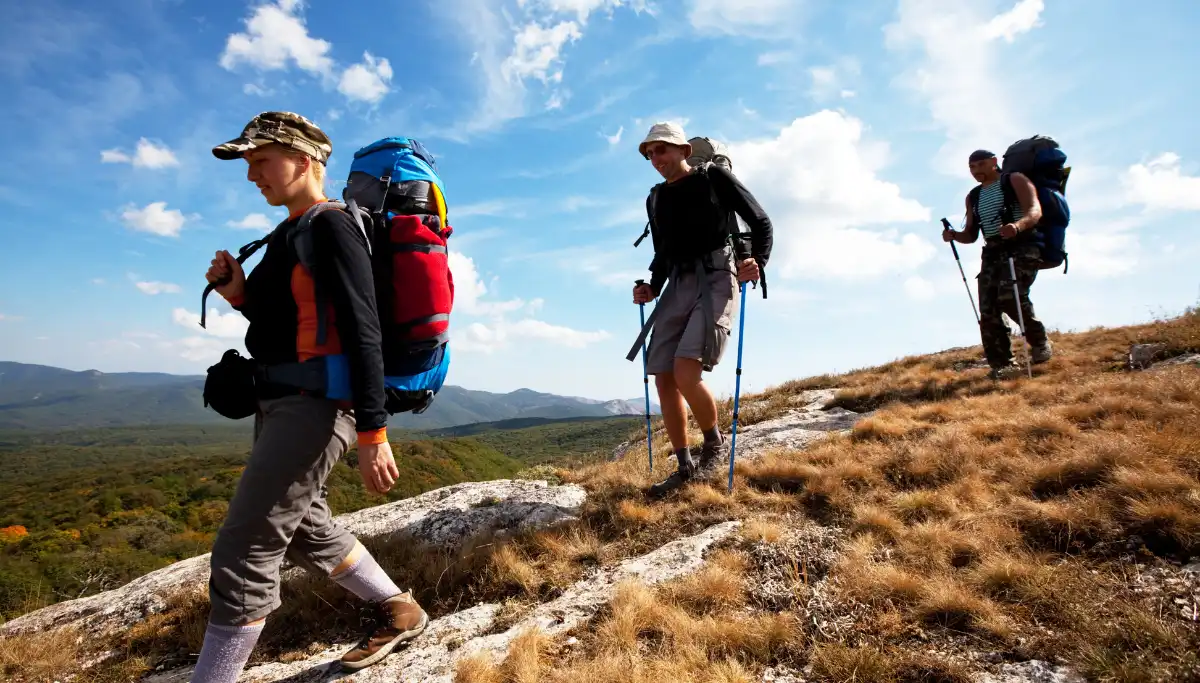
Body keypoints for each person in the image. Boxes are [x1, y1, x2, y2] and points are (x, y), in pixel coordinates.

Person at [193, 111, 427, 682]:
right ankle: (400, 608)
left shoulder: (332, 227)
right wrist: (240, 296)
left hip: (319, 407)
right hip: (285, 400)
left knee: (245, 551)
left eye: (261, 162)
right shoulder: (289, 233)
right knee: (303, 527)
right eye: (248, 165)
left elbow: (362, 328)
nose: (253, 176)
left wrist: (374, 431)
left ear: (304, 160)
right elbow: (291, 323)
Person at [630, 122, 772, 497]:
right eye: (650, 154)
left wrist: (757, 260)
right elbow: (662, 253)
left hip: (715, 276)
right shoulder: (656, 198)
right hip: (677, 282)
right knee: (663, 375)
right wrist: (650, 286)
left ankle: (714, 446)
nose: (655, 159)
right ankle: (684, 465)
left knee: (685, 369)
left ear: (683, 151)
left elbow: (760, 220)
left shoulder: (715, 178)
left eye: (661, 150)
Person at [943, 148, 1053, 379]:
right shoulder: (973, 196)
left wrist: (1017, 226)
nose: (976, 171)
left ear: (994, 162)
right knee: (989, 308)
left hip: (1022, 245)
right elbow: (971, 235)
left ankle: (1039, 341)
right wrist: (954, 235)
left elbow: (1034, 211)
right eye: (972, 167)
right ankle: (1001, 364)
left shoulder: (1014, 180)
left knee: (1010, 295)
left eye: (981, 164)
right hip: (992, 251)